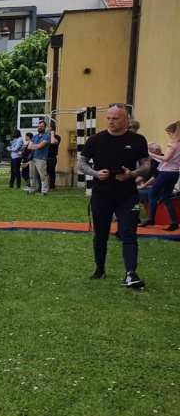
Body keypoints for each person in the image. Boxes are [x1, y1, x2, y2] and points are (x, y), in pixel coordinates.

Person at [77, 103, 151, 288]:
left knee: (129, 234)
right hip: (102, 194)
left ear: (126, 120)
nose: (111, 121)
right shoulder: (95, 140)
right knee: (100, 235)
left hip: (127, 195)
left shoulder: (138, 140)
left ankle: (131, 274)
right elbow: (81, 164)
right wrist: (95, 173)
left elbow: (146, 165)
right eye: (108, 118)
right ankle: (99, 269)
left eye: (116, 118)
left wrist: (132, 174)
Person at [143, 120, 180, 231]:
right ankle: (174, 221)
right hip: (175, 173)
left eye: (169, 133)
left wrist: (151, 154)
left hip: (166, 173)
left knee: (153, 194)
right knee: (166, 197)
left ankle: (151, 219)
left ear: (175, 133)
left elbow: (166, 158)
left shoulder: (172, 145)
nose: (168, 136)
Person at [136, 143, 162, 223]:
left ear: (156, 151)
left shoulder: (160, 161)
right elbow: (142, 176)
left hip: (154, 187)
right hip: (148, 186)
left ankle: (137, 217)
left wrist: (144, 185)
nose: (148, 153)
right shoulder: (150, 160)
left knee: (133, 194)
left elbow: (156, 177)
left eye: (150, 150)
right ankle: (136, 216)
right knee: (130, 191)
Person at [27, 120, 52, 195]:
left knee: (43, 175)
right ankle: (32, 189)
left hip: (41, 158)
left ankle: (44, 191)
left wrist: (34, 146)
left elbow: (40, 146)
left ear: (45, 127)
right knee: (32, 175)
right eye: (38, 126)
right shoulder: (35, 136)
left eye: (41, 126)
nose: (39, 128)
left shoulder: (47, 136)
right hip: (33, 158)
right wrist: (36, 146)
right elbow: (29, 146)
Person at [47, 124, 61, 190]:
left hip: (52, 157)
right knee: (44, 172)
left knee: (51, 172)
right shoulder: (46, 137)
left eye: (49, 130)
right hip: (45, 157)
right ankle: (45, 185)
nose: (48, 132)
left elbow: (53, 142)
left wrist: (52, 134)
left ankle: (52, 186)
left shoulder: (57, 137)